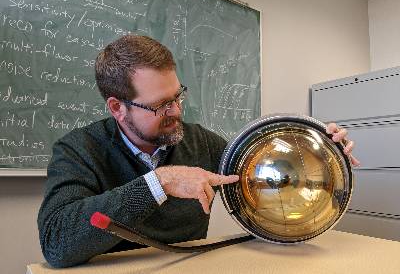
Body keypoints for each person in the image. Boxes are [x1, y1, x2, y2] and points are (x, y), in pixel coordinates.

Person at [37, 35, 359, 268]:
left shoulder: (200, 142)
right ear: (118, 108)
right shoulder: (78, 150)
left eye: (178, 96)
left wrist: (322, 152)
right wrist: (158, 183)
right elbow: (56, 243)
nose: (176, 112)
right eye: (161, 105)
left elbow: (262, 174)